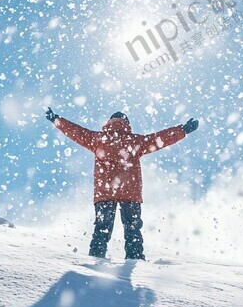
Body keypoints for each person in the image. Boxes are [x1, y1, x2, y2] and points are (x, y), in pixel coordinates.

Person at [45, 108, 199, 260]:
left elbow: (76, 131)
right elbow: (159, 139)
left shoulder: (98, 139)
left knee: (102, 229)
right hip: (129, 191)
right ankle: (135, 261)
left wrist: (56, 119)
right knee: (133, 231)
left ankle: (96, 260)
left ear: (109, 122)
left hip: (105, 192)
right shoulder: (135, 141)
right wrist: (183, 130)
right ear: (127, 124)